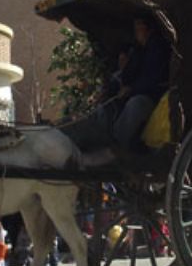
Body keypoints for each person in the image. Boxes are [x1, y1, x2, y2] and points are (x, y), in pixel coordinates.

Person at [61, 16, 170, 165]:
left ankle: (118, 146)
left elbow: (153, 78)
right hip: (129, 94)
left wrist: (131, 89)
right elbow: (126, 75)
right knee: (104, 108)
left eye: (139, 27)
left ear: (146, 29)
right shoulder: (138, 51)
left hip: (151, 96)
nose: (137, 32)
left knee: (136, 104)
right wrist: (109, 90)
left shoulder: (158, 49)